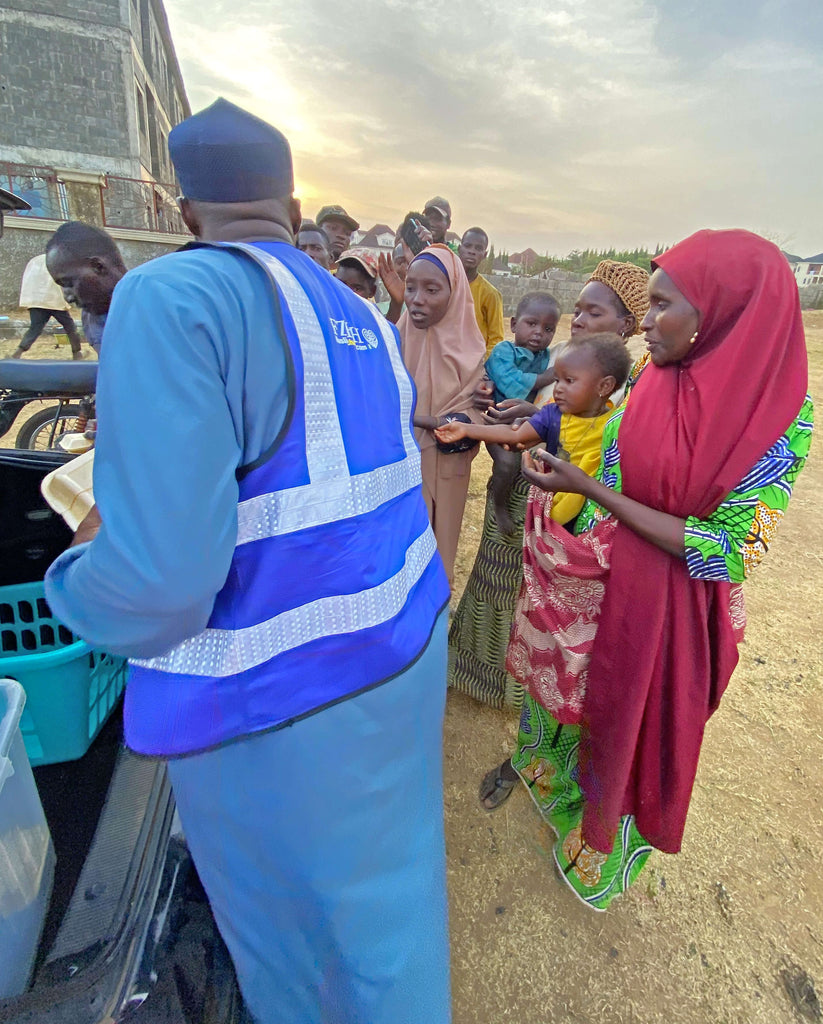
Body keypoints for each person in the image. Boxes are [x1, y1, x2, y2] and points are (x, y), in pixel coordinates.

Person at [44, 97, 452, 1024]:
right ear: (294, 208)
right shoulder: (356, 314)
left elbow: (161, 584)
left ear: (187, 216)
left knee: (301, 953)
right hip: (398, 652)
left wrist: (70, 580)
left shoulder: (172, 295)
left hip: (280, 706)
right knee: (388, 918)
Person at [489, 229, 813, 911]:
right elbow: (614, 457)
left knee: (637, 721)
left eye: (664, 305)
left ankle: (604, 845)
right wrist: (577, 516)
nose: (646, 324)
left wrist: (600, 497)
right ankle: (556, 778)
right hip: (606, 568)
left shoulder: (783, 418)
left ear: (721, 312)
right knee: (576, 686)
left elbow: (729, 552)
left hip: (674, 607)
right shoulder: (651, 372)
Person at [449, 260, 649, 710]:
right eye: (577, 309)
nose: (578, 320)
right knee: (492, 577)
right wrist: (521, 407)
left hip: (560, 508)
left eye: (593, 313)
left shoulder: (627, 391)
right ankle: (471, 667)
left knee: (531, 598)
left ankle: (513, 690)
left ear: (627, 325)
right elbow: (543, 413)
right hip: (522, 485)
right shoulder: (563, 354)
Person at [437, 332, 630, 527]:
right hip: (555, 514)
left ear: (604, 386)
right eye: (557, 380)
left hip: (593, 516)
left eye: (569, 381)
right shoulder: (553, 415)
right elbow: (515, 434)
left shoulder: (617, 425)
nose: (558, 389)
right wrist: (466, 429)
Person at [397, 244, 486, 584]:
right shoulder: (393, 343)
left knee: (436, 561)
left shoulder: (472, 353)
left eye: (432, 289)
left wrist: (457, 420)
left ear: (455, 293)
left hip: (447, 474)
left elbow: (476, 418)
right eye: (411, 287)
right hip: (399, 472)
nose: (417, 298)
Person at [481, 292, 560, 535]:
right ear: (514, 324)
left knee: (526, 465)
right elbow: (510, 382)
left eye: (548, 328)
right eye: (532, 323)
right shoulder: (504, 351)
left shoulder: (546, 356)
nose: (539, 332)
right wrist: (547, 377)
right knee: (506, 463)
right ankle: (500, 505)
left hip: (525, 426)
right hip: (495, 420)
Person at [45, 222, 127, 355]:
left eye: (68, 283)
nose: (68, 298)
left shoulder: (160, 302)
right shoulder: (92, 320)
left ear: (98, 266)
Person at [12, 252, 85, 359]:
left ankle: (19, 351)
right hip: (54, 301)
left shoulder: (35, 261)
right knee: (70, 327)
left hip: (37, 301)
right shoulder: (60, 260)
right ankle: (77, 353)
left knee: (35, 328)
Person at [458, 227, 504, 357]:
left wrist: (484, 366)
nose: (472, 252)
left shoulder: (490, 294)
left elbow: (496, 338)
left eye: (478, 248)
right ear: (460, 249)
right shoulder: (446, 284)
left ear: (484, 255)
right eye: (468, 246)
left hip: (474, 363)